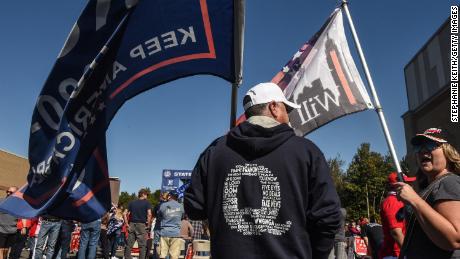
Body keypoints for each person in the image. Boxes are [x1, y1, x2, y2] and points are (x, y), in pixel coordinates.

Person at [184, 82, 342, 259]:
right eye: (286, 110)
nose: (288, 118)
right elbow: (328, 216)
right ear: (274, 107)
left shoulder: (214, 151)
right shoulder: (306, 152)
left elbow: (194, 207)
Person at [394, 128, 460, 258]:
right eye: (418, 147)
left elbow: (454, 239)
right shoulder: (431, 186)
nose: (423, 151)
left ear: (448, 151)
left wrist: (414, 200)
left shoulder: (449, 182)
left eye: (431, 145)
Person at [379, 172, 415, 259]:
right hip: (395, 254)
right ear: (397, 185)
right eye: (406, 183)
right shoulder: (393, 202)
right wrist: (409, 254)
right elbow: (396, 232)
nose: (410, 185)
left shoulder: (398, 200)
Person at [124, 189, 152, 259]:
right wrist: (148, 225)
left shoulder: (131, 202)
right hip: (142, 225)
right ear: (143, 194)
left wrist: (126, 224)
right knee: (142, 246)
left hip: (132, 224)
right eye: (146, 195)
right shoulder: (147, 203)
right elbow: (149, 214)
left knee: (129, 245)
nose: (147, 196)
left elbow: (124, 213)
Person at [157, 191, 184, 259]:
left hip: (164, 233)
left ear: (169, 196)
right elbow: (182, 217)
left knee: (162, 255)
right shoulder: (181, 206)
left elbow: (159, 216)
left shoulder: (163, 205)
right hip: (175, 233)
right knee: (174, 256)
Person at [0, 187, 18, 259]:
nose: (8, 193)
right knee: (0, 249)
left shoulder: (18, 205)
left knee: (6, 250)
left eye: (11, 192)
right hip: (1, 229)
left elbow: (23, 215)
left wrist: (24, 226)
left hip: (12, 231)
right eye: (7, 191)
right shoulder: (1, 201)